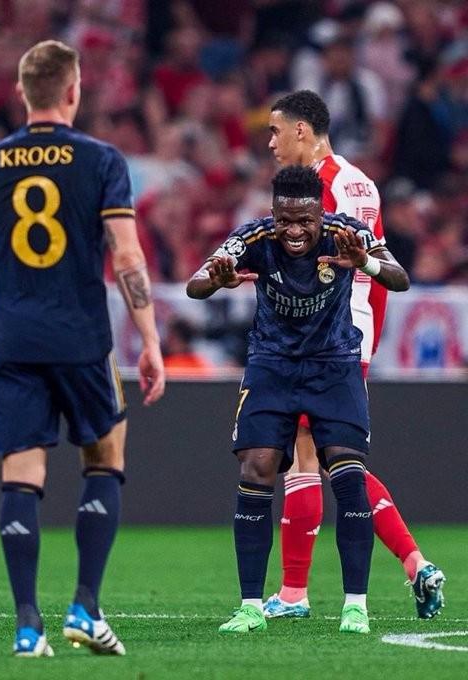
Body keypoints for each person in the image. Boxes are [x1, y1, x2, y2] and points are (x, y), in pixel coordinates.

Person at [0, 40, 165, 657]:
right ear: (74, 91)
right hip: (82, 338)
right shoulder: (101, 160)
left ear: (23, 93)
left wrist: (5, 313)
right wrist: (150, 339)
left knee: (21, 473)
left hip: (15, 341)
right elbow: (126, 254)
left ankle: (28, 626)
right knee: (105, 453)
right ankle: (85, 607)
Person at [187, 164, 410, 634]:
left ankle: (355, 606)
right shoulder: (253, 237)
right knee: (256, 468)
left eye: (304, 220)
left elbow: (399, 277)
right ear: (273, 213)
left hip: (334, 364)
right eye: (284, 219)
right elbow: (196, 283)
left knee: (348, 473)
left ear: (319, 213)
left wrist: (366, 263)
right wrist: (218, 280)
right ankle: (251, 606)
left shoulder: (346, 232)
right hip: (273, 365)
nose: (294, 231)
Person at [265, 90, 445, 620]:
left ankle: (294, 593)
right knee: (327, 455)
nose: (271, 143)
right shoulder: (357, 180)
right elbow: (371, 263)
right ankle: (414, 563)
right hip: (353, 330)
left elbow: (332, 264)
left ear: (302, 130)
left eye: (276, 131)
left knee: (313, 451)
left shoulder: (327, 187)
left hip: (331, 333)